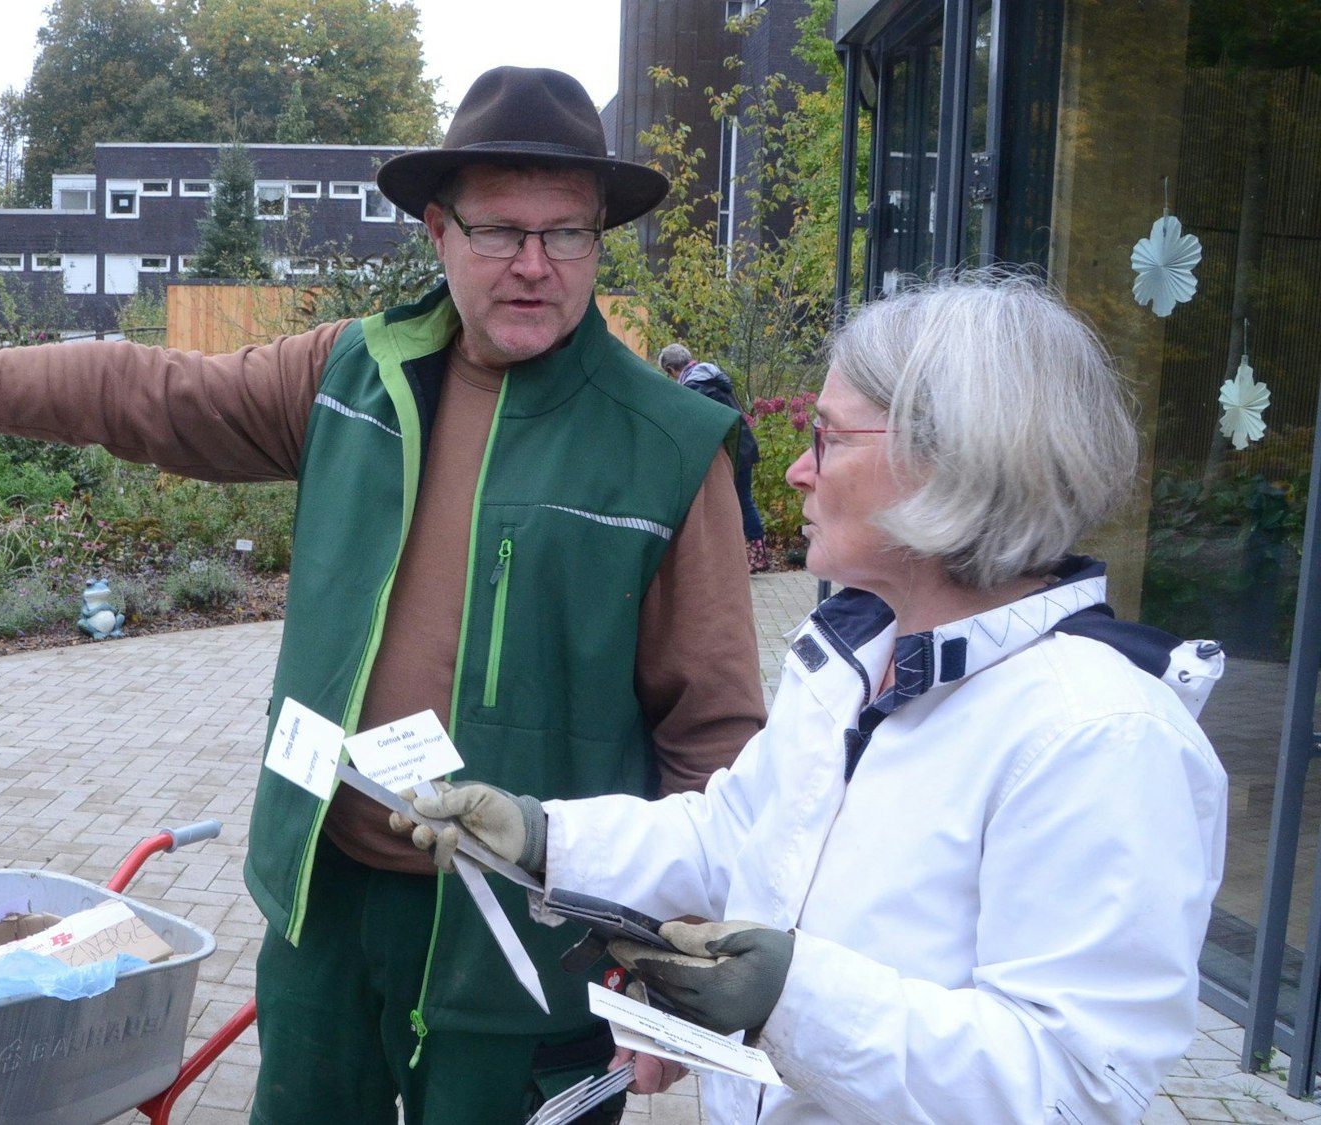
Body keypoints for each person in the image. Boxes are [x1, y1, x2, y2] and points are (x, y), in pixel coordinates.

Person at [0, 65, 766, 1125]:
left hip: (530, 949)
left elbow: (715, 734)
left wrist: (668, 961)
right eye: (500, 230)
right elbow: (136, 390)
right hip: (326, 905)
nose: (534, 265)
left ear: (599, 239)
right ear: (437, 231)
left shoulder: (666, 447)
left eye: (567, 234)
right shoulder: (350, 375)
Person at [401, 274, 1229, 1123]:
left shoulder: (1100, 736)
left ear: (949, 462)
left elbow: (1076, 1088)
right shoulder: (851, 659)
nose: (798, 470)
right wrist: (547, 836)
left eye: (826, 438)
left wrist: (788, 998)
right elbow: (735, 834)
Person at [659, 343, 767, 572]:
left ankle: (751, 556)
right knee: (742, 500)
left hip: (730, 452)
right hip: (742, 446)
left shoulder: (695, 387)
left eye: (668, 374)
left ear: (671, 369)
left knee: (734, 502)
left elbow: (695, 427)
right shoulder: (711, 377)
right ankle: (754, 554)